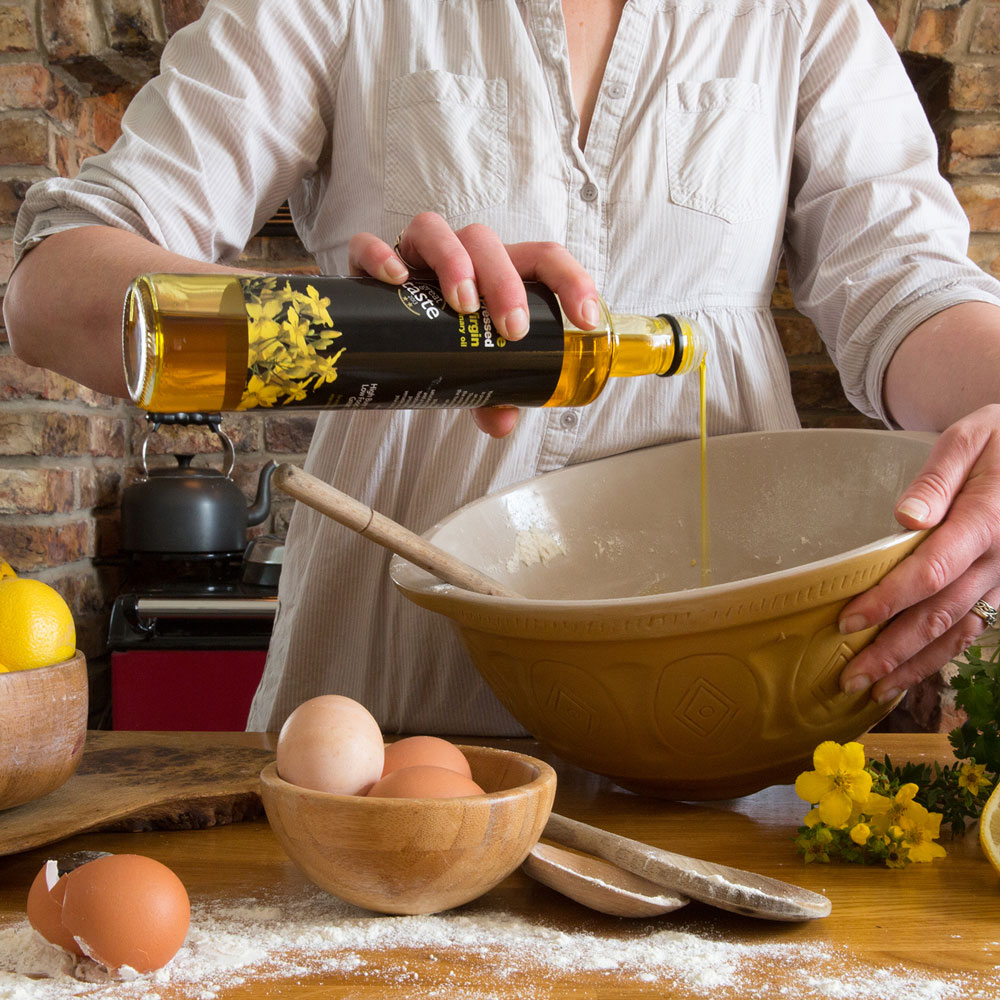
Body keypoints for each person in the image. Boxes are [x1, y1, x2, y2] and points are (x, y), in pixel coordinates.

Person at [5, 0, 1000, 736]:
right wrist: (352, 321)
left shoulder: (801, 13)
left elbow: (907, 289)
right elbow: (50, 289)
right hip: (388, 720)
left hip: (729, 713)